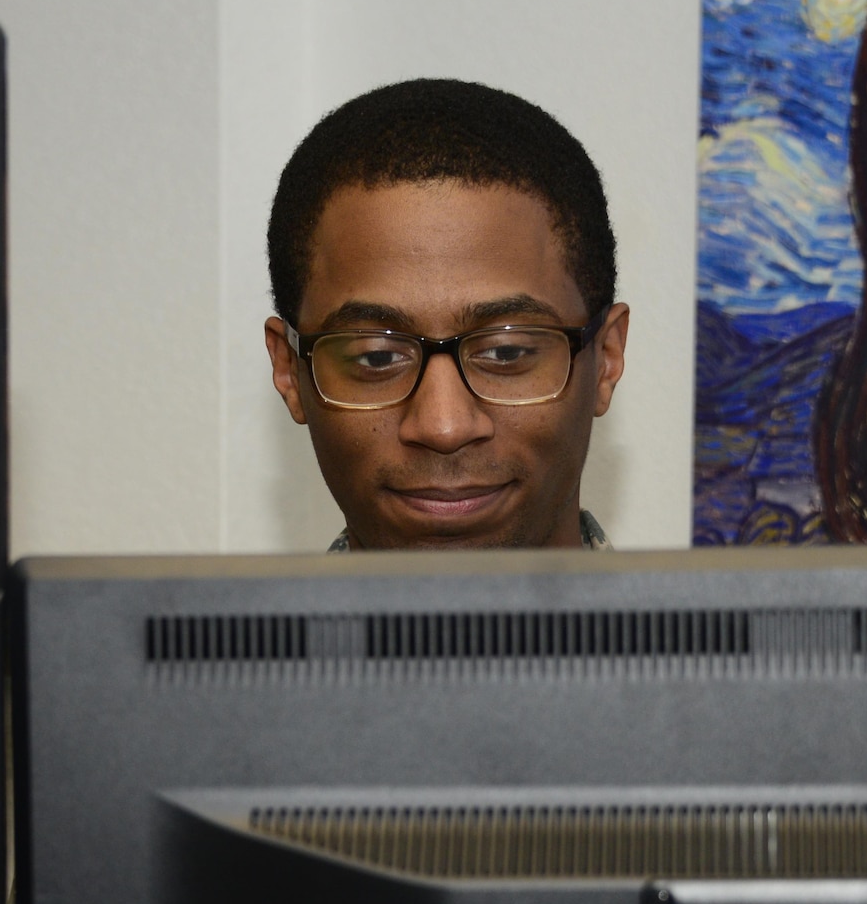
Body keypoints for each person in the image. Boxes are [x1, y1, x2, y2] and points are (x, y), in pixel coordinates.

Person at [264, 79, 629, 551]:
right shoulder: (167, 629)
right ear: (290, 372)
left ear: (606, 358)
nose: (443, 427)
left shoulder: (722, 629)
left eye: (506, 351)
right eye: (377, 358)